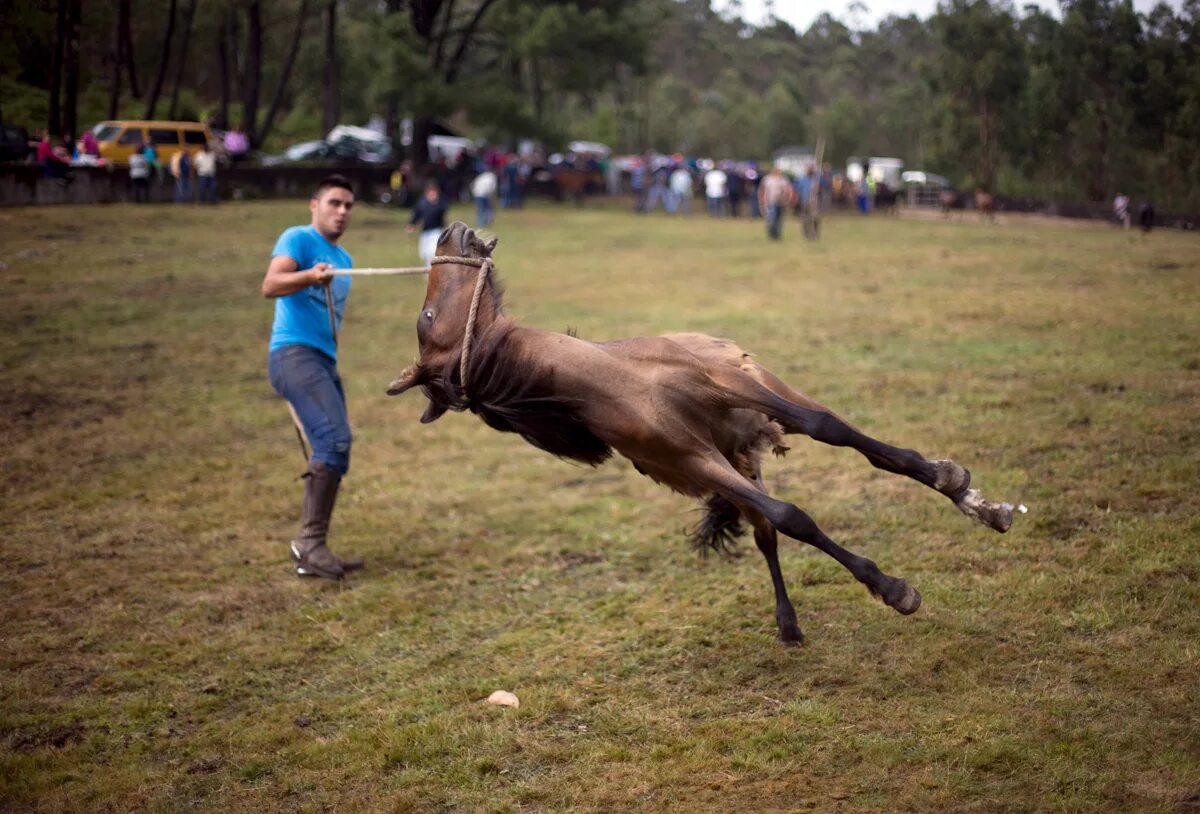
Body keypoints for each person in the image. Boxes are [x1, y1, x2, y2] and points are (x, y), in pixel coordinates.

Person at [261, 175, 364, 580]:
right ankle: (308, 545)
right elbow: (270, 285)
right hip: (293, 354)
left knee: (336, 447)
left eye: (348, 205)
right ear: (314, 205)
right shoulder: (298, 239)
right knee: (333, 440)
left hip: (322, 360)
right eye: (334, 203)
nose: (342, 212)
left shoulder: (347, 260)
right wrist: (309, 276)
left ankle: (313, 548)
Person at [408, 181, 449, 264]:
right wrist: (412, 224)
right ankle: (428, 270)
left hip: (436, 230)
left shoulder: (441, 201)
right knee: (423, 254)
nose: (432, 193)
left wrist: (435, 202)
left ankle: (430, 271)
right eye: (430, 191)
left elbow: (442, 209)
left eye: (434, 191)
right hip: (425, 231)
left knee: (432, 253)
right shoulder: (422, 202)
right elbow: (417, 214)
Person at [758, 166, 794, 240]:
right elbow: (762, 190)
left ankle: (777, 235)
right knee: (772, 219)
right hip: (770, 201)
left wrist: (788, 199)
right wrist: (762, 201)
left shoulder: (783, 179)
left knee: (779, 219)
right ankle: (771, 234)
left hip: (781, 202)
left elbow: (788, 189)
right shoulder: (767, 179)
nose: (779, 172)